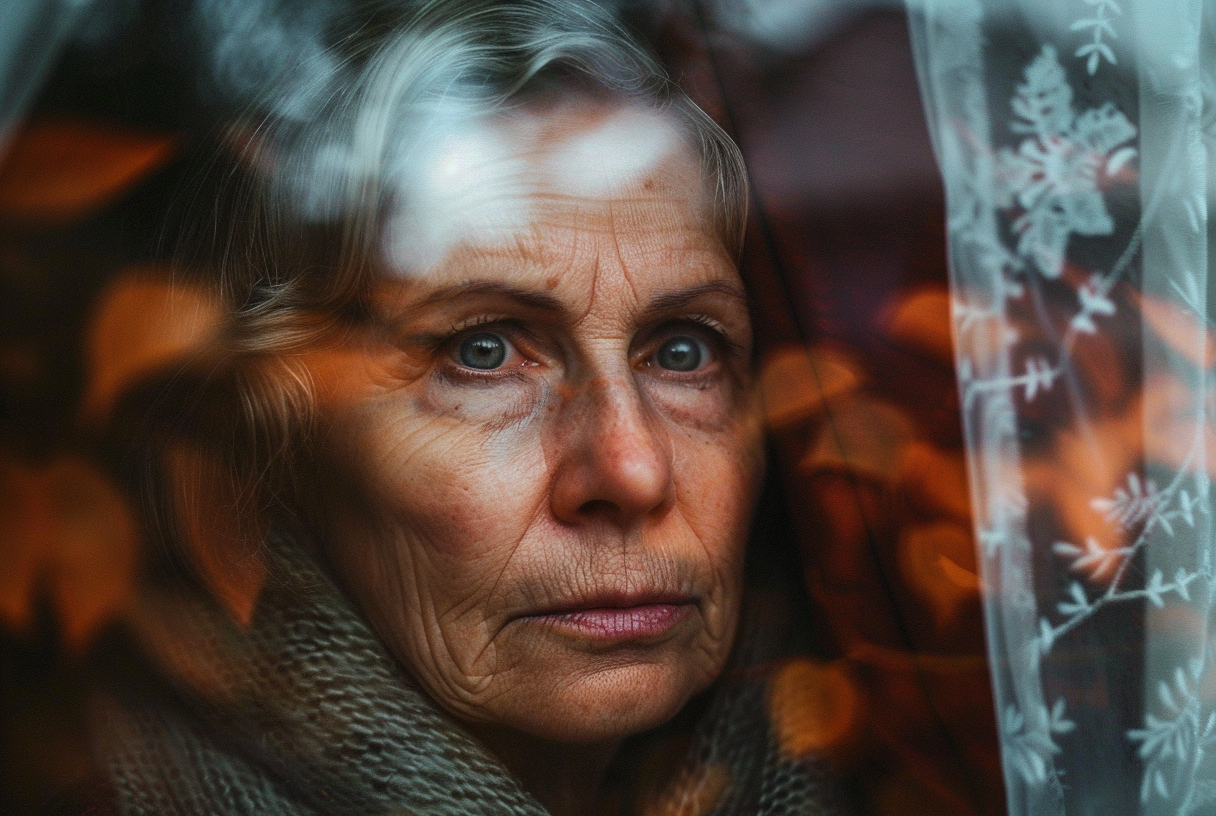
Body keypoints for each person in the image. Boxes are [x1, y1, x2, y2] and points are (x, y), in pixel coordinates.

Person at [85, 2, 833, 813]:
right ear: (273, 440)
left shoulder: (914, 750)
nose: (633, 469)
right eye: (481, 353)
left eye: (684, 351)